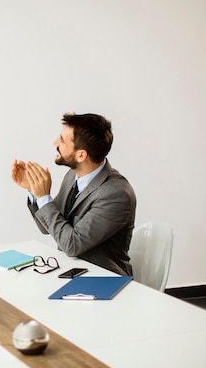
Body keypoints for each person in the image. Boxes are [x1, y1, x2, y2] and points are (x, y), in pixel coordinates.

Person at [11, 113, 136, 276]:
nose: (55, 142)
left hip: (103, 281)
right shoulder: (73, 176)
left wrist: (44, 198)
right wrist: (35, 191)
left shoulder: (116, 194)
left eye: (62, 140)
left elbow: (71, 245)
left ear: (81, 155)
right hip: (71, 273)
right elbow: (47, 227)